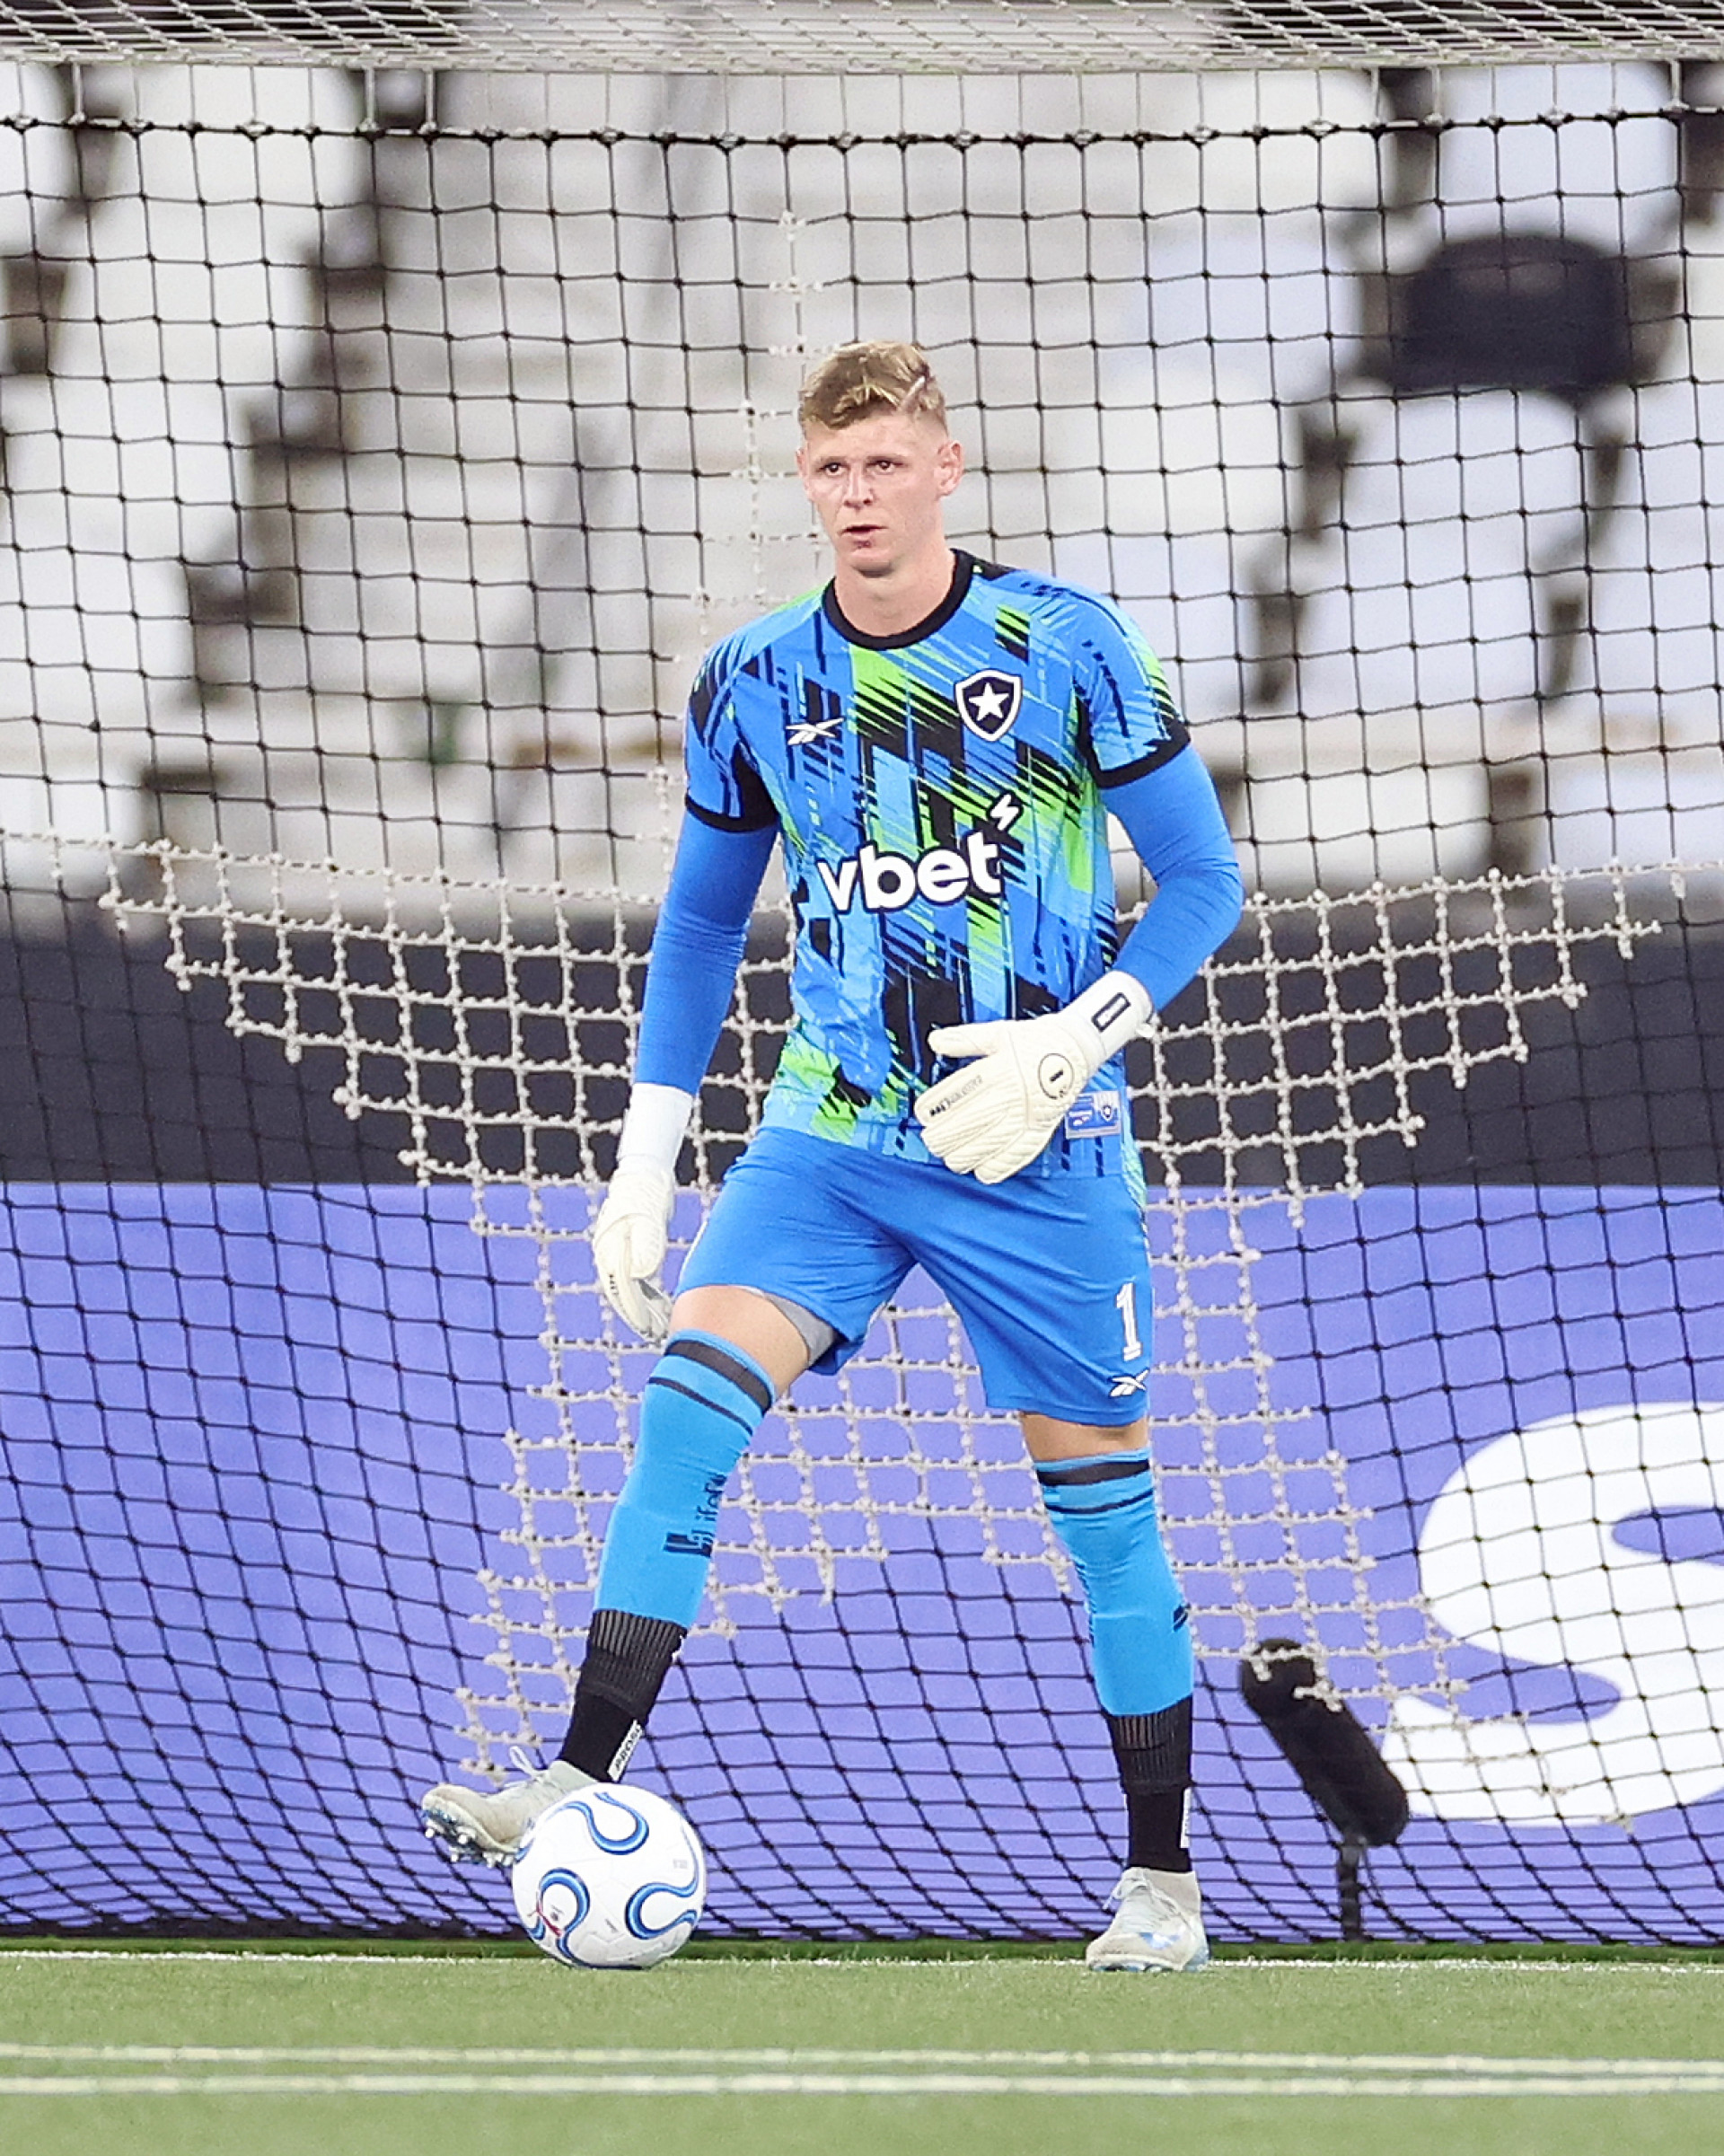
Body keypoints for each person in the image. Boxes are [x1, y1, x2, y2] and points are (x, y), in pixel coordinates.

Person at [421, 340, 1245, 1972]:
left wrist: (1077, 1040)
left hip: (1039, 1143)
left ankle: (1162, 1887)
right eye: (831, 471)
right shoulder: (749, 677)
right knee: (680, 1415)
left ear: (946, 467)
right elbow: (709, 918)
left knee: (1105, 1516)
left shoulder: (1063, 643)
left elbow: (1207, 881)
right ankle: (574, 1780)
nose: (858, 497)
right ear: (806, 484)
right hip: (832, 1134)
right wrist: (649, 1148)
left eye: (885, 466)